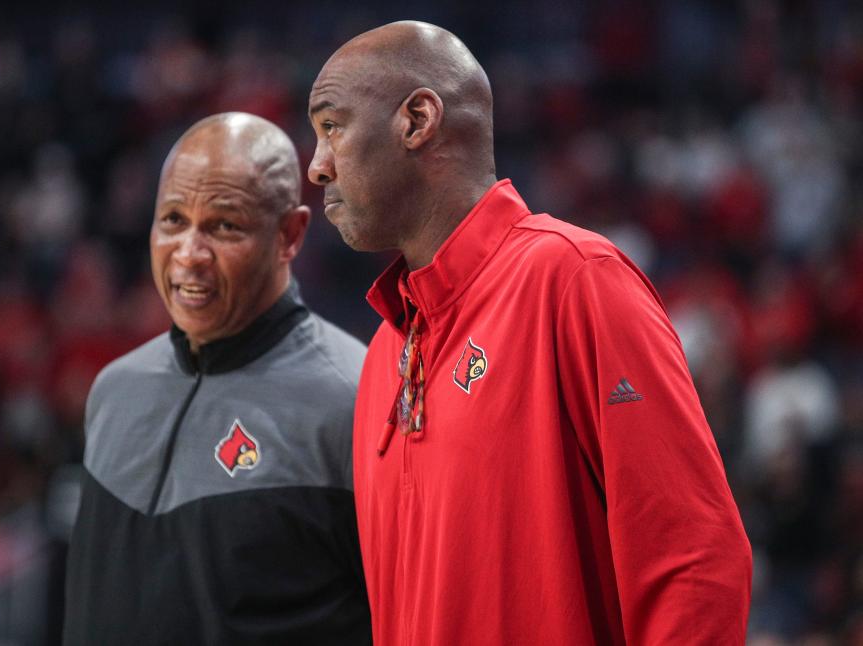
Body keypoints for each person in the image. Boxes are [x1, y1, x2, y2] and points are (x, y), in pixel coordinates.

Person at [307, 21, 752, 645]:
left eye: (331, 127)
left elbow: (692, 561)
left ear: (416, 120)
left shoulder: (575, 279)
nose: (317, 166)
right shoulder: (385, 350)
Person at [63, 112, 371, 645]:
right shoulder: (114, 389)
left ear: (289, 235)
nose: (189, 254)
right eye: (173, 220)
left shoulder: (357, 399)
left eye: (224, 226)